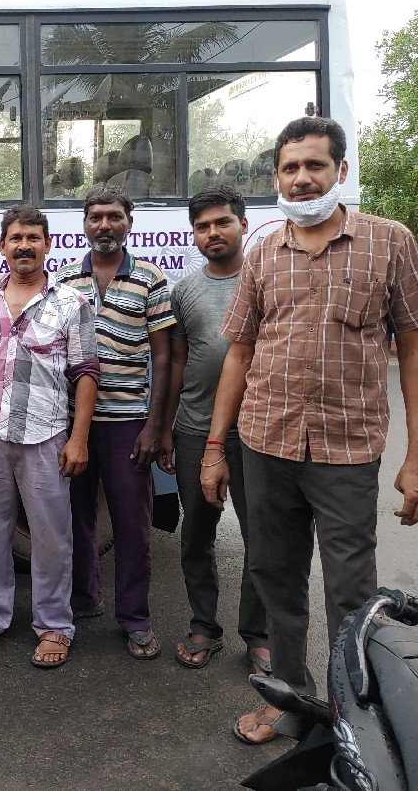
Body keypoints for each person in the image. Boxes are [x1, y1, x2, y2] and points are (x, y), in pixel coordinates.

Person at [201, 116, 418, 745]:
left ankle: (354, 717)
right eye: (290, 168)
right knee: (275, 576)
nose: (302, 178)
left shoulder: (389, 242)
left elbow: (411, 347)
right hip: (266, 442)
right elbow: (239, 353)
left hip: (348, 449)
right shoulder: (264, 252)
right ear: (276, 177)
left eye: (315, 165)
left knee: (352, 591)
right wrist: (215, 448)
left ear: (340, 171)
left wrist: (415, 458)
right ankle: (292, 699)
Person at [0, 205, 99, 667]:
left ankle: (54, 625)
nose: (24, 246)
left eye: (32, 238)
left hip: (46, 435)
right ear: (2, 246)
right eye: (16, 238)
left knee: (51, 537)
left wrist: (79, 439)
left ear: (48, 244)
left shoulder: (71, 303)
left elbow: (87, 372)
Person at [57, 183, 174, 660]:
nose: (104, 225)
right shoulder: (65, 279)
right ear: (84, 224)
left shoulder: (150, 278)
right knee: (76, 518)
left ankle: (135, 619)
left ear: (129, 222)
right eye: (96, 217)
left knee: (132, 526)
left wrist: (155, 427)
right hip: (73, 423)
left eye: (114, 216)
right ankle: (85, 600)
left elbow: (163, 358)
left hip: (129, 423)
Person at [157, 184, 269, 672]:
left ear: (243, 224)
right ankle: (204, 625)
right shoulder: (184, 291)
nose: (213, 233)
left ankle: (259, 634)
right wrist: (166, 428)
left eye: (222, 222)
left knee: (260, 537)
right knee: (196, 534)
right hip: (193, 429)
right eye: (202, 227)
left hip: (258, 432)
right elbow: (178, 363)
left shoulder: (267, 279)